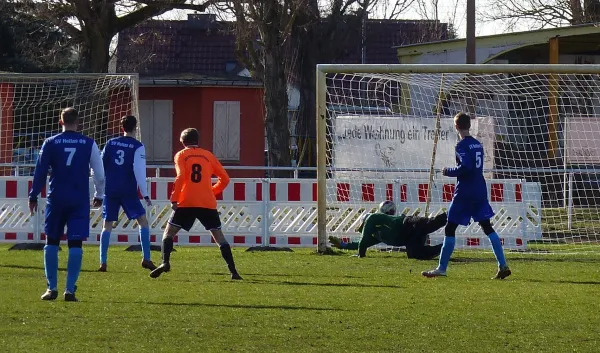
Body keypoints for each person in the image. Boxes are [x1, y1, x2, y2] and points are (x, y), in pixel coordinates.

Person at [422, 112, 511, 279]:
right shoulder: (477, 144)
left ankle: (441, 268)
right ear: (469, 126)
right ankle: (503, 264)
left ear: (456, 126)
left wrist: (448, 171)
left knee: (450, 227)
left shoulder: (461, 145)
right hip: (479, 188)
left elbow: (466, 167)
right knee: (487, 226)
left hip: (465, 191)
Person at [29, 107, 105, 301]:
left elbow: (40, 171)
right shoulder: (89, 143)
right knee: (75, 243)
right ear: (78, 121)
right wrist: (100, 194)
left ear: (60, 121)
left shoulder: (50, 142)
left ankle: (51, 288)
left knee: (52, 241)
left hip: (56, 198)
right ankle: (70, 290)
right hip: (79, 199)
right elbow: (100, 173)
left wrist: (33, 195)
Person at [149, 128, 242, 280]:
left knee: (169, 233)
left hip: (187, 201)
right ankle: (234, 272)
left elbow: (180, 177)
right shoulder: (208, 155)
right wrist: (212, 191)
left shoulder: (181, 155)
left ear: (182, 141)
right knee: (220, 238)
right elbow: (225, 179)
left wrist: (174, 198)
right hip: (207, 201)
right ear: (198, 141)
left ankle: (165, 262)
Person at [98, 115, 155, 272]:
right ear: (135, 127)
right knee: (142, 221)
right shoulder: (138, 146)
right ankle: (146, 258)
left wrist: (99, 190)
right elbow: (139, 170)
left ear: (121, 127)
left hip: (111, 189)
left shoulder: (110, 143)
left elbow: (100, 167)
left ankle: (103, 261)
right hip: (128, 190)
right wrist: (145, 193)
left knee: (107, 225)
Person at [329, 201, 446, 260]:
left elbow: (363, 241)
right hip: (409, 237)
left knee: (432, 224)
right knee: (415, 255)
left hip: (409, 224)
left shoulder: (373, 217)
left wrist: (361, 254)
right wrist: (343, 245)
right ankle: (445, 247)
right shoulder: (377, 235)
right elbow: (360, 243)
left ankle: (451, 214)